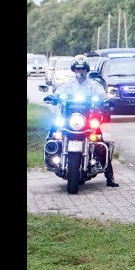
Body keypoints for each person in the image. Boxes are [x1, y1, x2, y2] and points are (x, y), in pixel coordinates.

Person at [52, 55, 118, 187]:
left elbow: (102, 94)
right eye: (77, 69)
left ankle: (109, 177)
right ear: (74, 70)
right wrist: (53, 97)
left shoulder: (93, 85)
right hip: (69, 120)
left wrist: (106, 98)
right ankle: (51, 154)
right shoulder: (68, 84)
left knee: (101, 141)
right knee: (52, 133)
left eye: (82, 69)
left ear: (87, 70)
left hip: (87, 120)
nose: (80, 72)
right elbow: (58, 92)